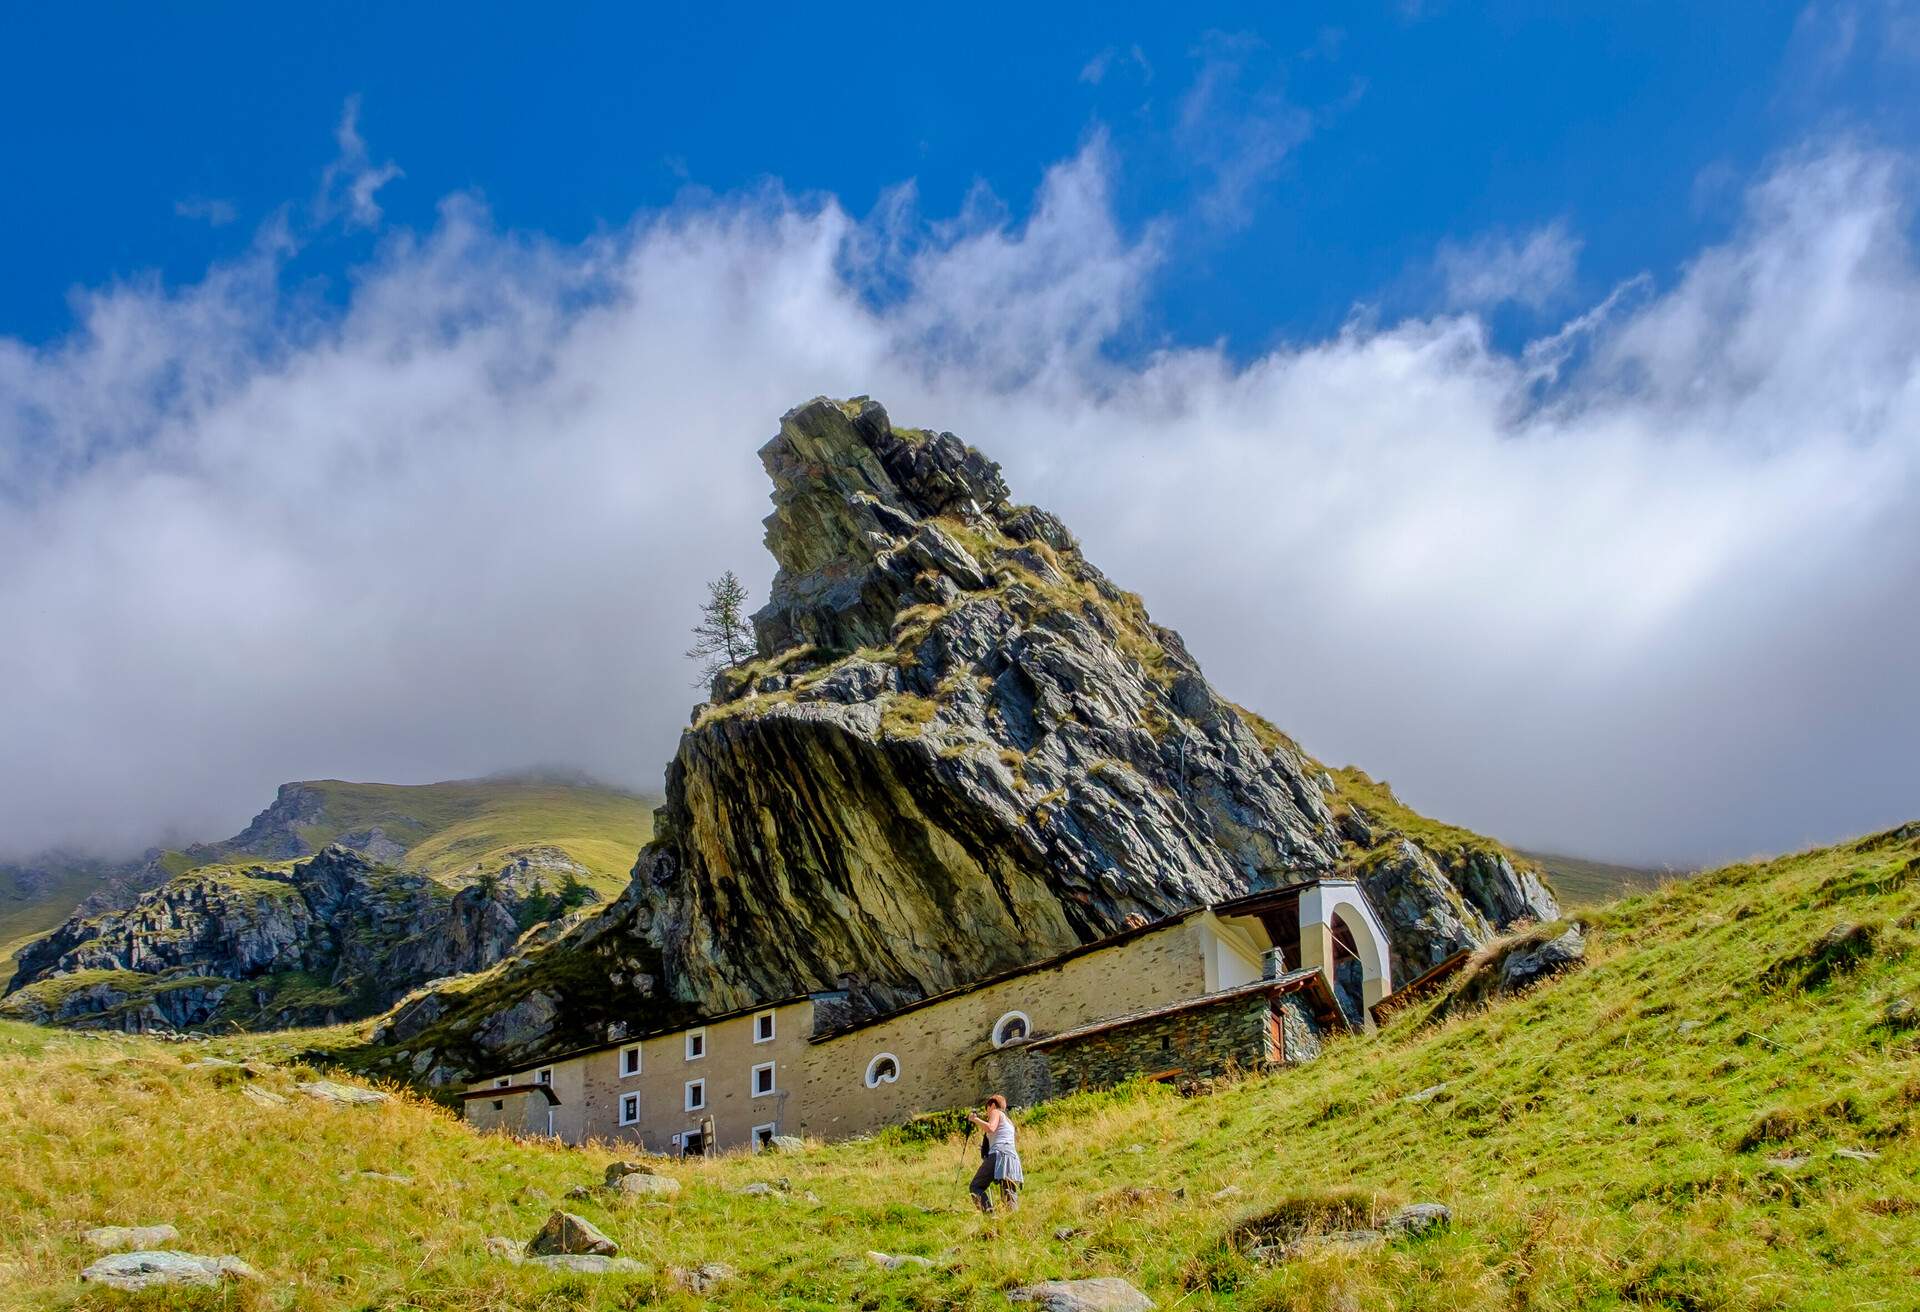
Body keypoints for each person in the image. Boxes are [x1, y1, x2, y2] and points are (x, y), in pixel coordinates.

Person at [965, 1094, 1022, 1213]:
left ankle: (989, 1214)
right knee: (1009, 1193)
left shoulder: (996, 1112)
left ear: (992, 1105)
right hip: (1012, 1157)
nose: (987, 1114)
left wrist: (974, 1119)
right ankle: (1013, 1221)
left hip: (999, 1154)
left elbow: (990, 1128)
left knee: (975, 1187)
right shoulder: (1009, 1121)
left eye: (987, 1110)